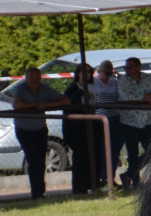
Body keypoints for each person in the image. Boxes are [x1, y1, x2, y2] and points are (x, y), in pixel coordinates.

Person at [11, 66, 70, 200]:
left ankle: (41, 191)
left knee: (41, 162)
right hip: (24, 131)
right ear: (26, 78)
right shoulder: (20, 89)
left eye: (37, 77)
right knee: (33, 161)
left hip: (40, 130)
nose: (34, 80)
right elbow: (17, 104)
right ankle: (36, 193)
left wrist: (47, 104)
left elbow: (66, 100)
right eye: (31, 77)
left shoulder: (44, 89)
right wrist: (36, 105)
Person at [117, 56, 151, 190]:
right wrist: (145, 98)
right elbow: (126, 97)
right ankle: (135, 182)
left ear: (137, 67)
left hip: (146, 122)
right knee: (132, 154)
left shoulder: (148, 79)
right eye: (125, 67)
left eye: (129, 67)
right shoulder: (123, 81)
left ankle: (128, 174)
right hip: (129, 122)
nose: (126, 70)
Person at [62, 63, 96, 194]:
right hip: (77, 127)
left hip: (92, 123)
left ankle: (92, 184)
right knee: (80, 158)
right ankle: (79, 187)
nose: (87, 74)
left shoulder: (93, 87)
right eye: (84, 71)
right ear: (77, 74)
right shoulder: (72, 88)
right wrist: (81, 93)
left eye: (89, 72)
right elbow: (69, 104)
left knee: (92, 156)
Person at [88, 59, 124, 186]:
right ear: (99, 71)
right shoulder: (94, 82)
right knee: (103, 149)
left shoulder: (115, 82)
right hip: (101, 119)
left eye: (110, 73)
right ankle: (102, 177)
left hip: (115, 118)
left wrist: (121, 79)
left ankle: (110, 177)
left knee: (114, 150)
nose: (107, 76)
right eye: (105, 73)